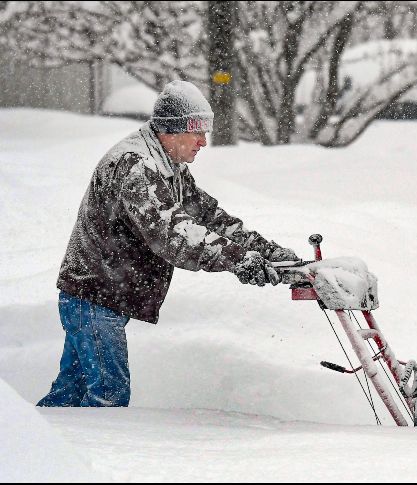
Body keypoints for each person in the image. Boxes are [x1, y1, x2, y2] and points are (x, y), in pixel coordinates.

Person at [37, 80, 298, 407]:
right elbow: (172, 234)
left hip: (100, 296)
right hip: (93, 296)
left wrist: (268, 253)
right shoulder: (135, 164)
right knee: (108, 396)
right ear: (172, 130)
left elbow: (209, 218)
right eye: (198, 132)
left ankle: (39, 446)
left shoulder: (167, 166)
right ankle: (93, 454)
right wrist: (238, 260)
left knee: (70, 396)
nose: (204, 141)